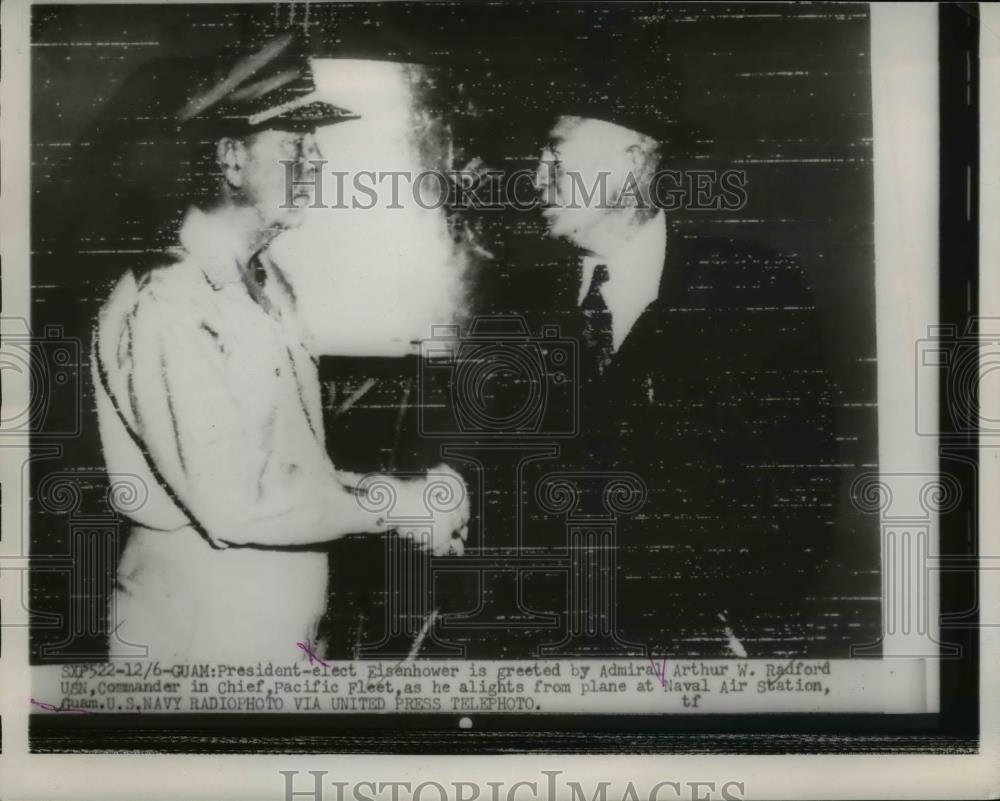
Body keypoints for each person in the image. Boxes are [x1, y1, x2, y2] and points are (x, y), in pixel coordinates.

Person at [92, 35, 468, 664]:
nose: (316, 163)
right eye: (296, 146)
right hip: (199, 641)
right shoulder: (170, 298)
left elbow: (294, 469)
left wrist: (407, 502)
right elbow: (241, 503)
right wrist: (402, 504)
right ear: (232, 160)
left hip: (278, 635)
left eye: (316, 147)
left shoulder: (267, 285)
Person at [527, 113, 839, 656]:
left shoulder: (753, 291)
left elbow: (801, 493)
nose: (535, 178)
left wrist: (752, 643)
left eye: (554, 156)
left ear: (630, 159)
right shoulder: (517, 301)